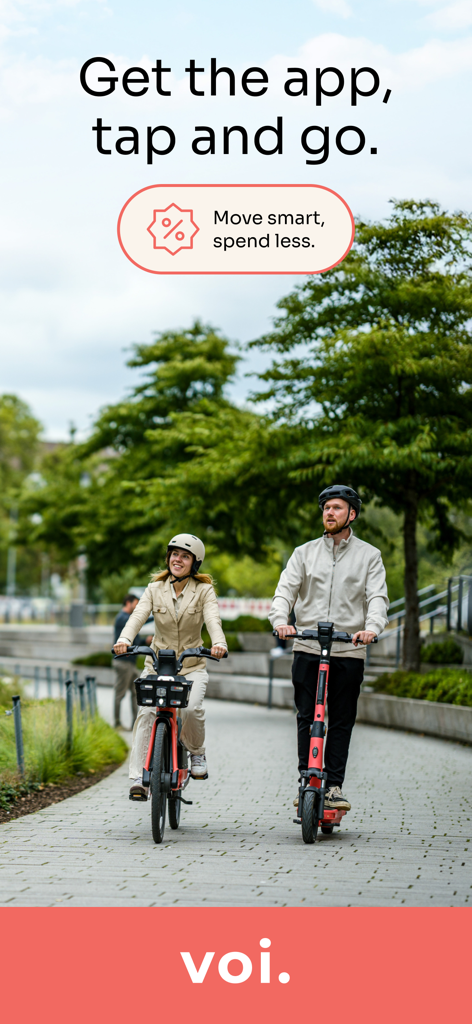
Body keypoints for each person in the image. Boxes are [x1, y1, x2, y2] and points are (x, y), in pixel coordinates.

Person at [269, 485, 389, 812]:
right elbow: (284, 592)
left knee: (341, 720)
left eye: (337, 508)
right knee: (306, 716)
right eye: (326, 508)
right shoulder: (303, 553)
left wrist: (371, 628)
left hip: (349, 650)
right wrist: (281, 620)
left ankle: (334, 786)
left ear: (352, 514)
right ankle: (306, 779)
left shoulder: (369, 556)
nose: (330, 513)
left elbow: (377, 597)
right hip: (307, 647)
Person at [113, 533, 227, 799]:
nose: (178, 559)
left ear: (194, 563)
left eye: (185, 556)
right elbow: (138, 615)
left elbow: (213, 620)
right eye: (175, 554)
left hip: (191, 666)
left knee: (191, 708)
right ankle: (140, 778)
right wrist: (124, 640)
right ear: (168, 557)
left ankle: (197, 753)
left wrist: (218, 643)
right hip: (157, 665)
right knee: (146, 712)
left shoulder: (204, 590)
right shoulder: (155, 588)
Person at [113, 594, 151, 729]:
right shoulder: (123, 618)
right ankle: (117, 723)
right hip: (123, 663)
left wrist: (145, 642)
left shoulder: (126, 619)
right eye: (136, 604)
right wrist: (155, 615)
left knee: (136, 693)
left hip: (130, 663)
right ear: (128, 603)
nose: (137, 607)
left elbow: (133, 643)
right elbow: (136, 622)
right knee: (120, 693)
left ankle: (135, 724)